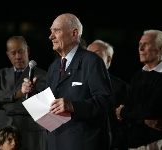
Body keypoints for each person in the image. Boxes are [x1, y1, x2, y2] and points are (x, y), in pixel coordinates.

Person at [21, 13, 112, 150]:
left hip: (82, 144)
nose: (51, 36)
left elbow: (105, 102)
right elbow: (51, 108)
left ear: (74, 33)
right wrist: (34, 94)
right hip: (56, 142)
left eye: (56, 31)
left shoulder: (91, 61)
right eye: (51, 31)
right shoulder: (54, 67)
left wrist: (73, 106)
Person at [0, 36, 48, 150]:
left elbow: (40, 107)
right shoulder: (0, 75)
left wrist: (3, 105)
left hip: (30, 136)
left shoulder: (42, 75)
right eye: (13, 53)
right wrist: (17, 95)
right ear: (8, 55)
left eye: (21, 52)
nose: (18, 56)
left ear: (27, 50)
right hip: (3, 137)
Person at [116, 30, 162, 149]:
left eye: (146, 44)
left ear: (160, 48)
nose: (140, 48)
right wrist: (144, 121)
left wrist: (125, 112)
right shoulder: (137, 75)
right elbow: (123, 114)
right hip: (133, 143)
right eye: (139, 44)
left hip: (157, 143)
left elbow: (151, 109)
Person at [87, 40, 130, 150]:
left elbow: (123, 122)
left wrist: (114, 145)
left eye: (96, 54)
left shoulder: (120, 87)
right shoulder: (77, 83)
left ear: (108, 59)